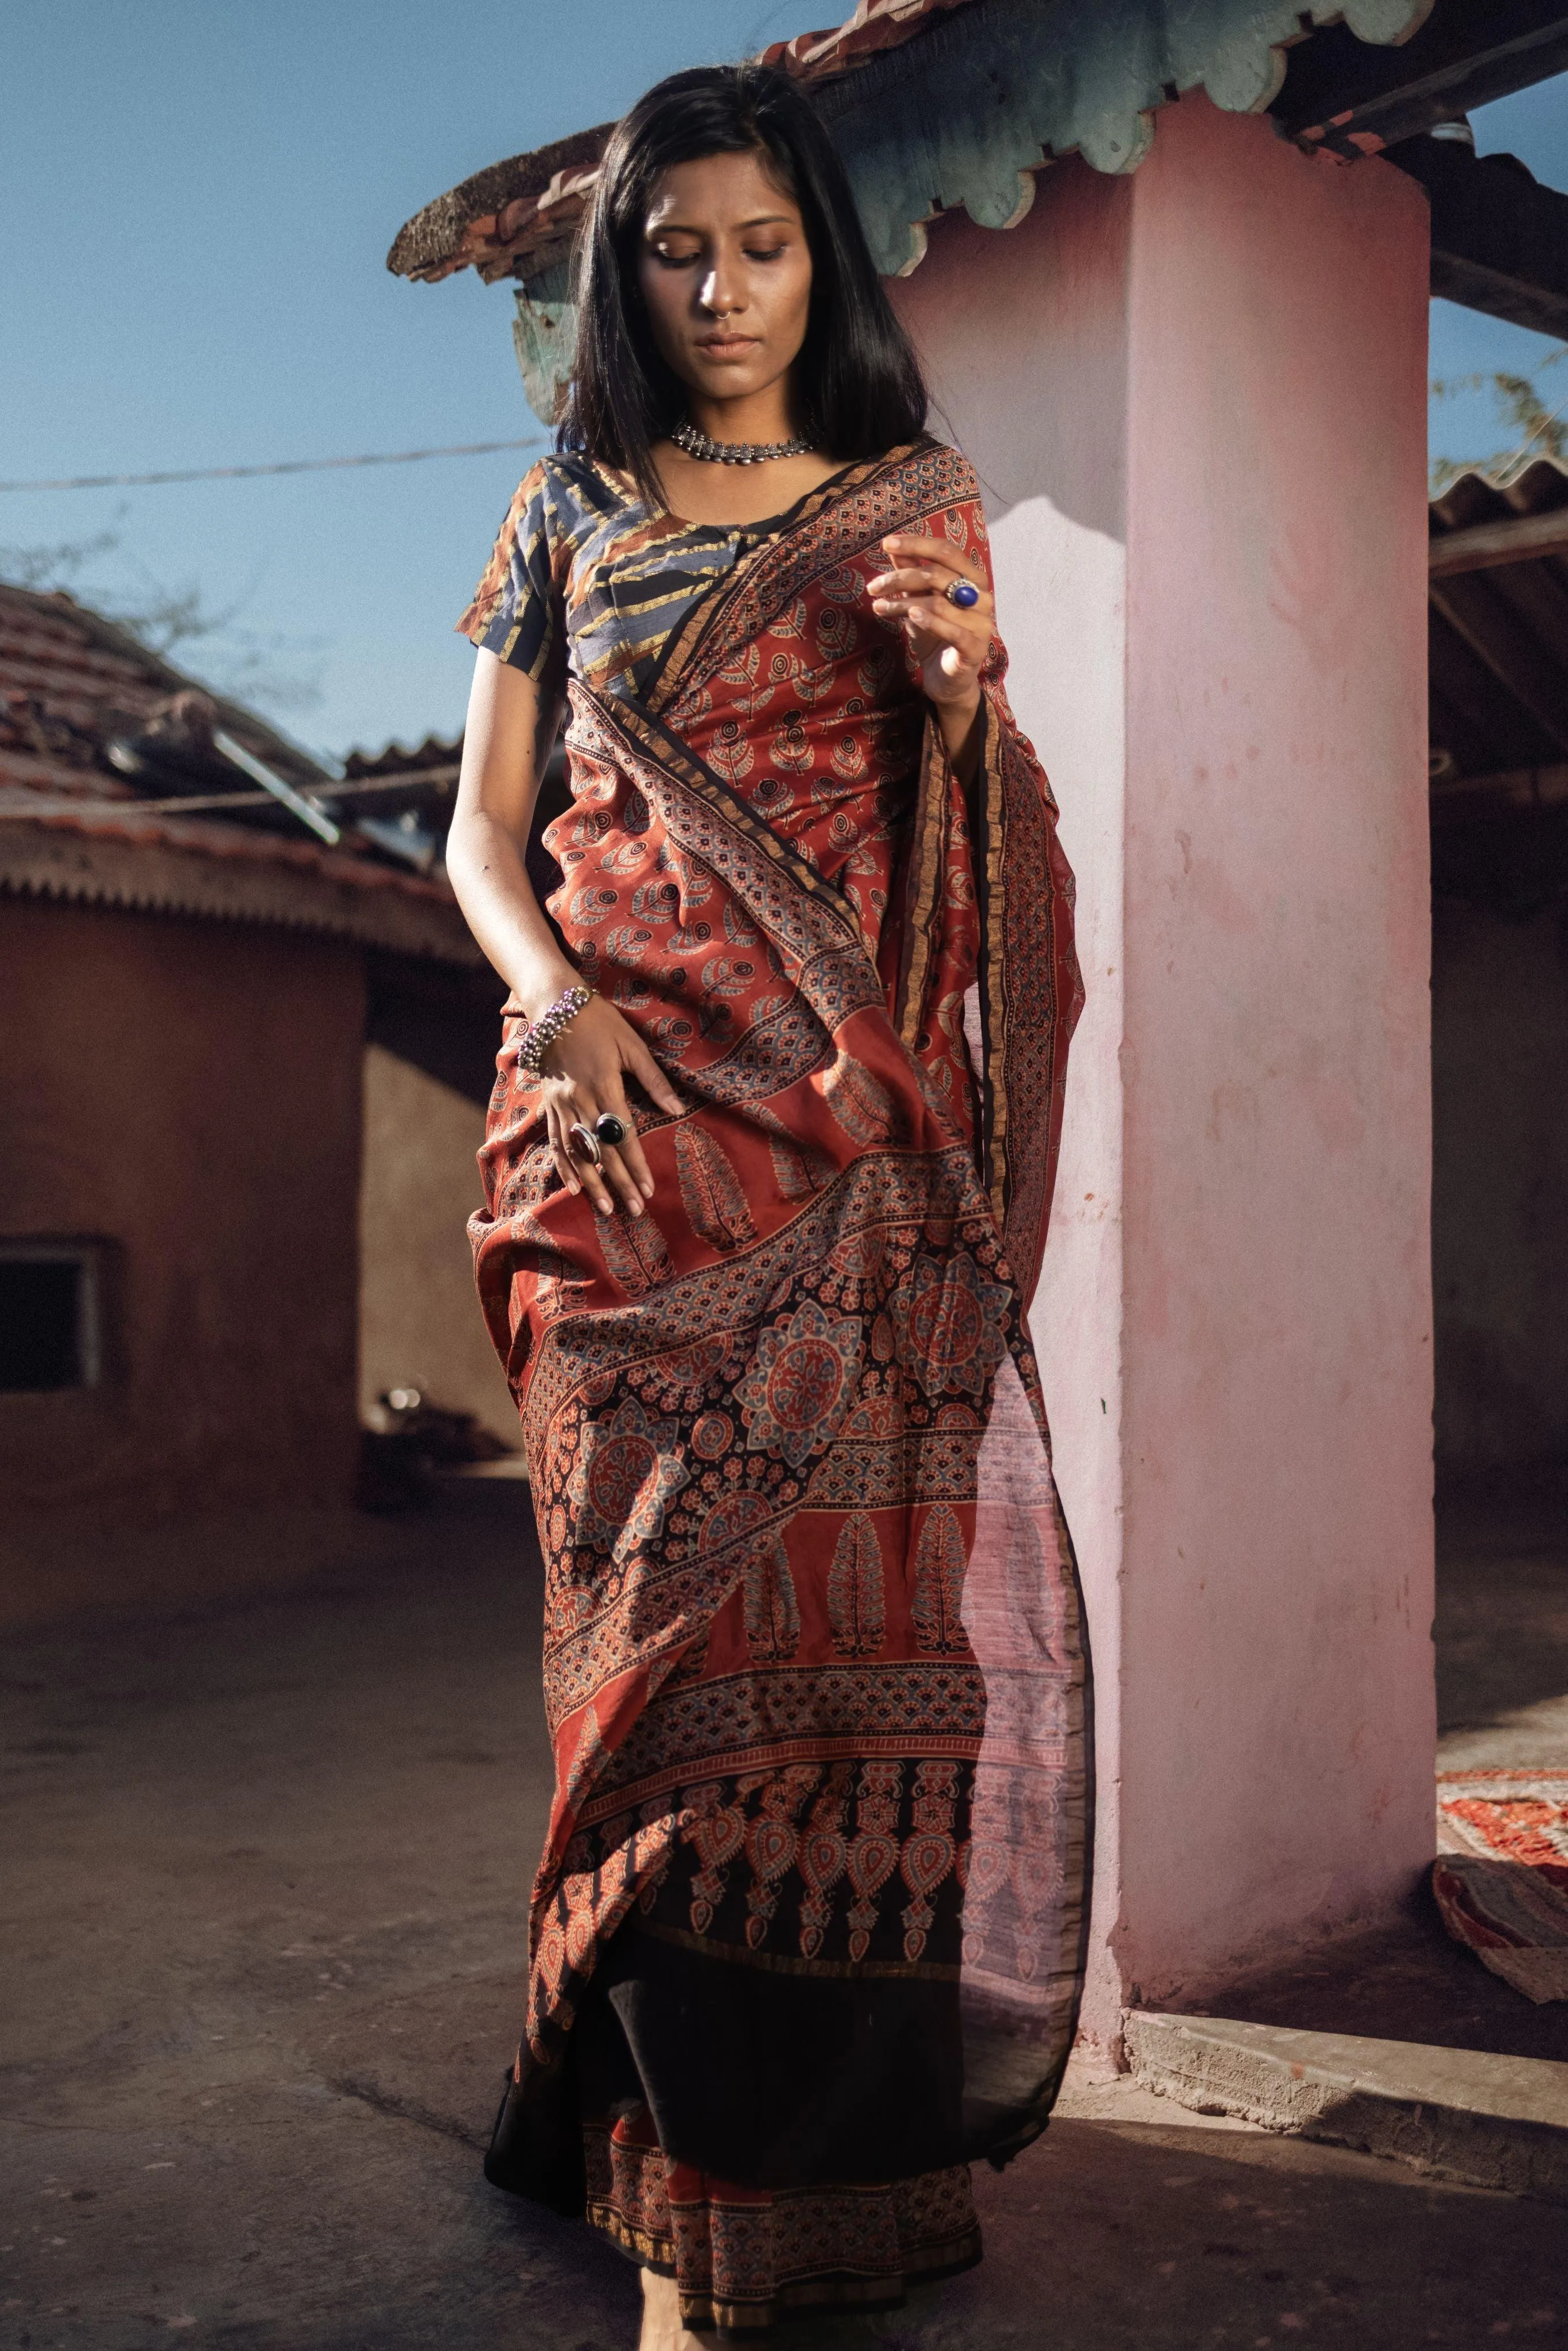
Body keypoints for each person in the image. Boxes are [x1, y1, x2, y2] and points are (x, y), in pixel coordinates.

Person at [445, 60, 1090, 2348]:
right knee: (650, 1688)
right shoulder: (564, 510)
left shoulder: (912, 501)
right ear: (630, 271)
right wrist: (544, 1007)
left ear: (824, 257)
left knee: (844, 1690)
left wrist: (962, 690)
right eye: (673, 249)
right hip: (616, 1174)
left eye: (759, 243)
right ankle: (664, 2179)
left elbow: (967, 813)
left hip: (845, 1172)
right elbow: (481, 832)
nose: (717, 290)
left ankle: (845, 2180)